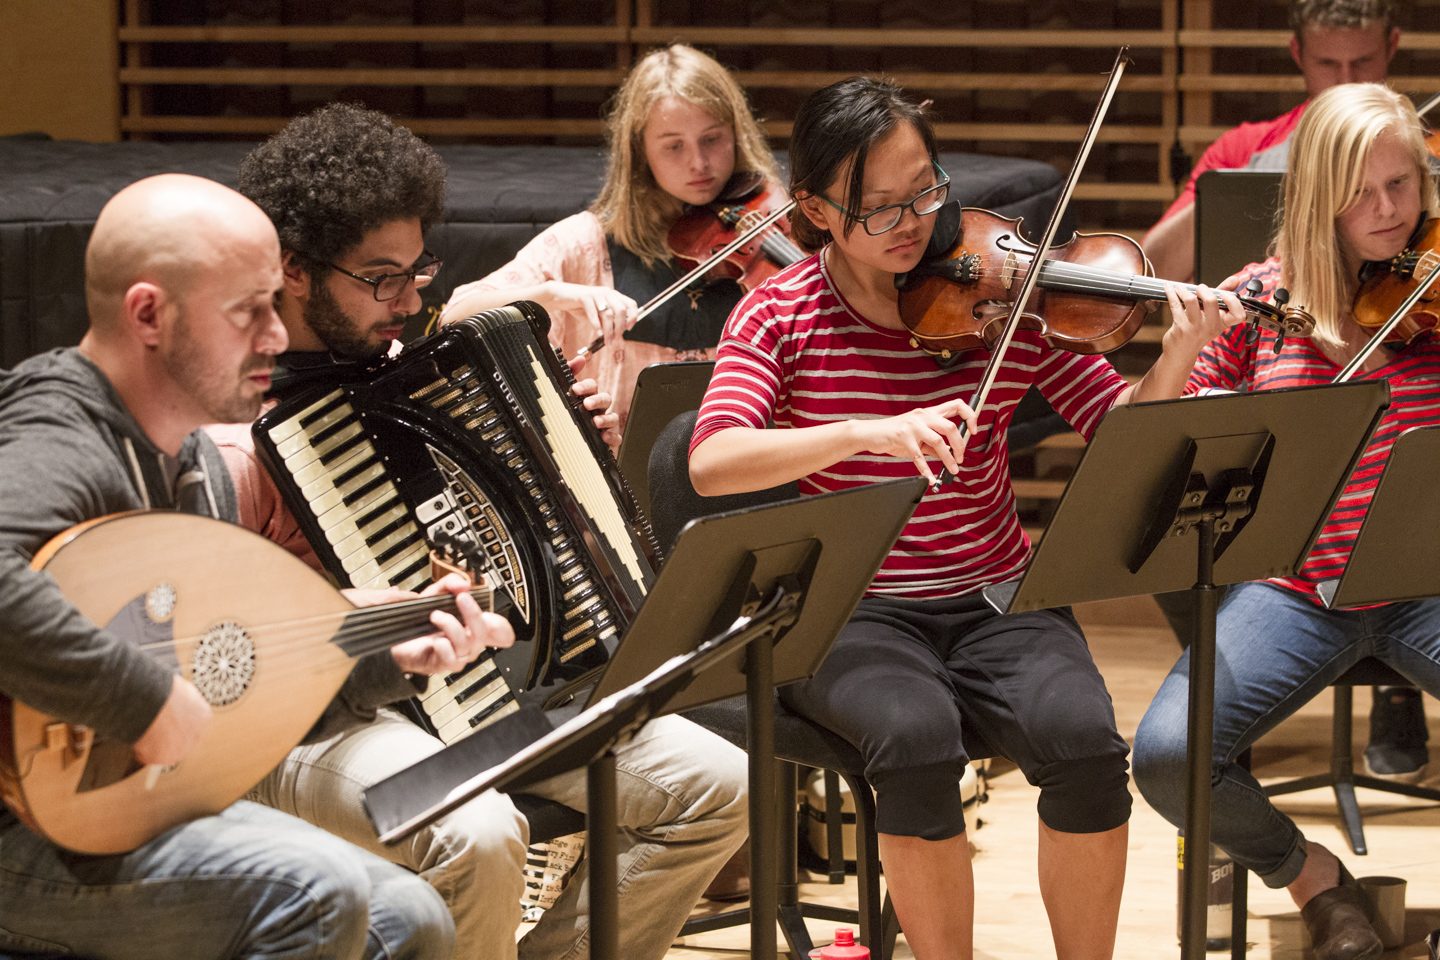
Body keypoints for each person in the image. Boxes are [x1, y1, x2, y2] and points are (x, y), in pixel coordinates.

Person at [688, 77, 1245, 960]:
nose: (915, 222)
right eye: (880, 208)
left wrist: (1179, 349)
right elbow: (712, 460)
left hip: (993, 595)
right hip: (850, 607)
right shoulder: (782, 312)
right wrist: (867, 433)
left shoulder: (1004, 299)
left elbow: (1123, 431)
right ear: (816, 210)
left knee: (1088, 747)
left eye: (926, 188)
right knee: (915, 742)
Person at [208, 102, 750, 960]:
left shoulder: (409, 375)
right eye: (381, 278)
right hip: (317, 722)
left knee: (722, 785)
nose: (410, 298)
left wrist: (563, 455)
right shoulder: (231, 426)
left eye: (417, 269)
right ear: (295, 272)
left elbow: (484, 528)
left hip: (478, 686)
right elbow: (219, 653)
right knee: (481, 832)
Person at [0, 173, 464, 959]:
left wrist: (383, 659)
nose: (277, 338)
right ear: (148, 313)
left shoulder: (198, 467)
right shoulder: (61, 434)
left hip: (121, 809)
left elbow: (232, 692)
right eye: (248, 311)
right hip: (22, 834)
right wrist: (140, 699)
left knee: (412, 916)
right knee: (317, 892)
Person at [1133, 82, 1440, 960]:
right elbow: (1160, 453)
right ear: (1316, 196)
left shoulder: (1435, 286)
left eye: (1405, 187)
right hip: (1297, 591)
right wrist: (1180, 353)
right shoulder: (1255, 304)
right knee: (1167, 755)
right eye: (1363, 193)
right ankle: (1312, 879)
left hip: (1428, 580)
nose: (1390, 213)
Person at [439, 43, 786, 440]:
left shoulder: (776, 228)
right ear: (640, 151)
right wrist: (552, 294)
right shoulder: (584, 242)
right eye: (674, 145)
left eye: (712, 139)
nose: (699, 163)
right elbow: (456, 318)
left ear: (737, 134)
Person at [1142, 0, 1399, 284]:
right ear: (1298, 53)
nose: (1345, 81)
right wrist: (1239, 189)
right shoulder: (1244, 149)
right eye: (1327, 63)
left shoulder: (1421, 152)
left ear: (1392, 46)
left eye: (1362, 62)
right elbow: (1150, 274)